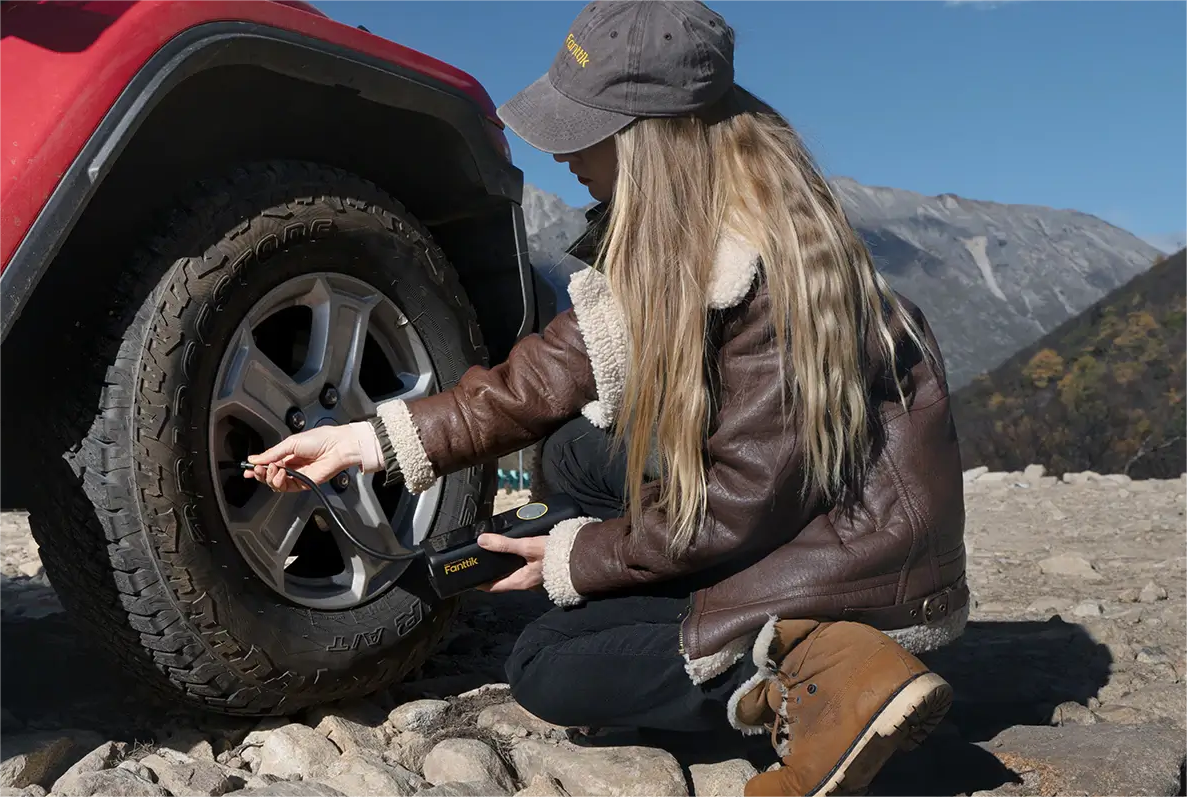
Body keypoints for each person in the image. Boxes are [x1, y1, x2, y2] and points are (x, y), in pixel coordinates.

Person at [244, 1, 969, 794]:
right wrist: (365, 440)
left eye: (581, 128)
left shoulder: (768, 275)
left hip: (846, 568)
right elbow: (533, 385)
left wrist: (577, 558)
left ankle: (820, 672)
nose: (561, 153)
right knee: (572, 453)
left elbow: (736, 507)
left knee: (548, 662)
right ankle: (673, 595)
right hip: (788, 512)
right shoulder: (679, 240)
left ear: (648, 140)